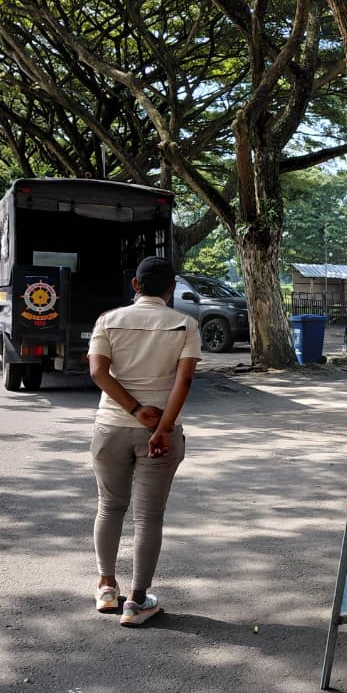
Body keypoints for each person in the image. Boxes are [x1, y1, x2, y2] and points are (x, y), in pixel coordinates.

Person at [86, 256, 201, 626]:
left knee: (109, 507)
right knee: (149, 517)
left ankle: (106, 587)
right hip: (161, 435)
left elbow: (98, 372)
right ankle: (136, 602)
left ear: (135, 286)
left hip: (112, 427)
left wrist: (135, 410)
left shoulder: (108, 320)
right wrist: (162, 427)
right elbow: (183, 383)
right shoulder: (185, 324)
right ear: (171, 289)